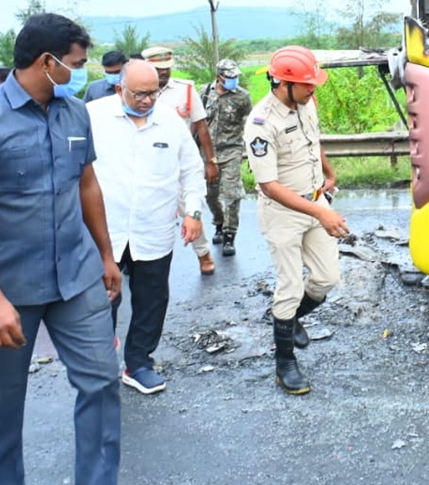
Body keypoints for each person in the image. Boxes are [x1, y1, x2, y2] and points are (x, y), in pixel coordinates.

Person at [0, 13, 122, 485]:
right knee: (2, 400)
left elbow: (87, 185)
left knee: (101, 384)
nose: (80, 71)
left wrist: (105, 256)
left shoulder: (74, 111)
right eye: (76, 63)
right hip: (8, 288)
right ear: (47, 61)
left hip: (77, 277)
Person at [88, 59, 204, 394]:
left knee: (152, 299)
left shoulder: (169, 120)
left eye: (153, 93)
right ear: (119, 88)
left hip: (154, 227)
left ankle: (138, 363)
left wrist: (193, 212)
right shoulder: (93, 116)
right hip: (104, 231)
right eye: (139, 93)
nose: (147, 100)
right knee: (100, 299)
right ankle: (99, 364)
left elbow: (191, 169)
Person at [244, 45, 349, 395]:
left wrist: (327, 171)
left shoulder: (307, 103)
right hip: (284, 214)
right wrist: (322, 212)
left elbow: (312, 140)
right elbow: (269, 186)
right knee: (289, 286)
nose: (313, 89)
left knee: (326, 277)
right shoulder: (261, 124)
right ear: (284, 83)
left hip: (316, 201)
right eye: (306, 85)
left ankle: (290, 319)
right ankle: (284, 364)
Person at [142, 45, 217, 275]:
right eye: (158, 69)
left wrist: (210, 160)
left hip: (179, 164)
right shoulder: (138, 93)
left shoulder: (185, 90)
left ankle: (203, 254)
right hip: (149, 165)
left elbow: (202, 127)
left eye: (167, 68)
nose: (164, 73)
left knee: (191, 210)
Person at [201, 58, 253, 256]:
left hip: (231, 150)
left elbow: (250, 126)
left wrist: (252, 155)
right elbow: (197, 123)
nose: (234, 80)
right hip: (208, 153)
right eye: (230, 77)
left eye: (236, 77)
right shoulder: (205, 93)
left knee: (231, 194)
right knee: (210, 193)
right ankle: (219, 222)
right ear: (219, 77)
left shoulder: (242, 97)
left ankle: (230, 235)